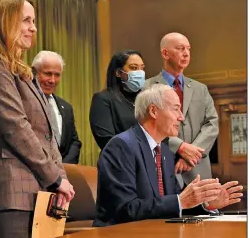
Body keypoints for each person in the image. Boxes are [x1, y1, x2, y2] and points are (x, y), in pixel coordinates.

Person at [0, 0, 75, 238]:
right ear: (5, 23)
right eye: (26, 20)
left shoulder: (23, 71)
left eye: (34, 21)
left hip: (40, 189)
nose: (33, 27)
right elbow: (16, 127)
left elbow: (48, 134)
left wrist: (59, 177)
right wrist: (55, 177)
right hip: (13, 189)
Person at [93, 84, 242, 227]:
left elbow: (172, 204)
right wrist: (181, 201)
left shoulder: (164, 152)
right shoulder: (121, 147)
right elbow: (125, 210)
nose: (181, 117)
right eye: (176, 109)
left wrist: (205, 203)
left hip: (158, 237)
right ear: (153, 111)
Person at [144, 32, 219, 187]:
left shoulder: (200, 89)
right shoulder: (147, 88)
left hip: (198, 170)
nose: (186, 53)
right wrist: (180, 147)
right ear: (165, 53)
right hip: (163, 168)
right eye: (180, 48)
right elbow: (147, 126)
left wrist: (192, 155)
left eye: (188, 49)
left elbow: (211, 124)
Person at [32, 51, 82, 164]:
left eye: (57, 75)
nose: (52, 80)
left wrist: (64, 167)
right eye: (48, 74)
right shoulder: (23, 101)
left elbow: (74, 142)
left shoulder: (67, 107)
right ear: (34, 72)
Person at [90, 50, 145, 150]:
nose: (140, 72)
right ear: (118, 72)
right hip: (120, 161)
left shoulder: (146, 98)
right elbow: (107, 140)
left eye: (142, 68)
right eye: (134, 68)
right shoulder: (103, 99)